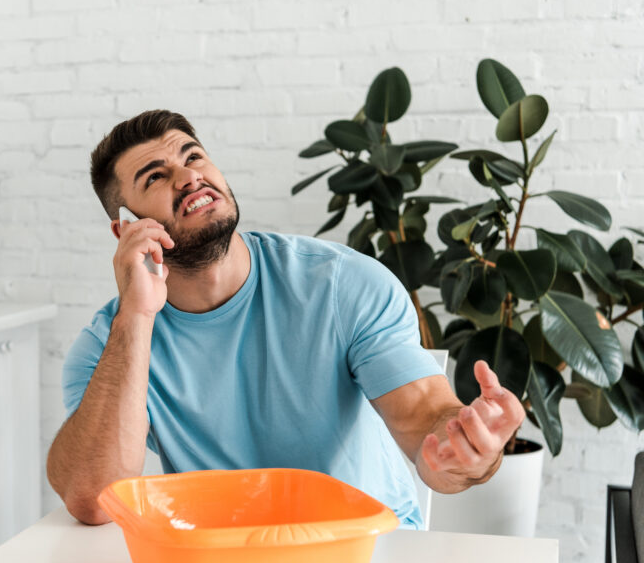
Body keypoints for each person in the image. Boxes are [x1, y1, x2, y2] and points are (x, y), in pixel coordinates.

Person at [46, 110, 525, 529]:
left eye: (193, 157)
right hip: (225, 562)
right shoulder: (110, 345)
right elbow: (92, 499)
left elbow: (424, 416)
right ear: (127, 230)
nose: (188, 177)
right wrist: (136, 315)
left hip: (364, 553)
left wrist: (463, 452)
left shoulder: (342, 284)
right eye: (155, 176)